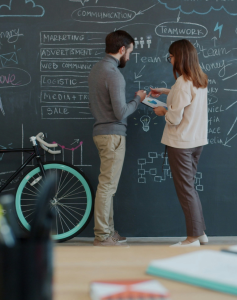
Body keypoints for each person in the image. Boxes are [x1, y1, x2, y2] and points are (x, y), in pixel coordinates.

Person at [88, 30, 147, 247]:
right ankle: (103, 235)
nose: (129, 57)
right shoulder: (114, 74)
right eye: (129, 52)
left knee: (107, 185)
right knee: (107, 187)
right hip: (113, 135)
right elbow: (121, 112)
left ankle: (109, 232)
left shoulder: (96, 70)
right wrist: (138, 99)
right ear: (122, 49)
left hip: (101, 133)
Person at [150, 39, 209, 247]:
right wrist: (166, 92)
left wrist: (162, 111)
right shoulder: (199, 79)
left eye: (171, 56)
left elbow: (174, 118)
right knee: (190, 188)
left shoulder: (183, 83)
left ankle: (192, 238)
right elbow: (185, 99)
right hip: (196, 141)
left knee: (185, 190)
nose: (170, 60)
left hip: (181, 143)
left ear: (180, 57)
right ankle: (200, 233)